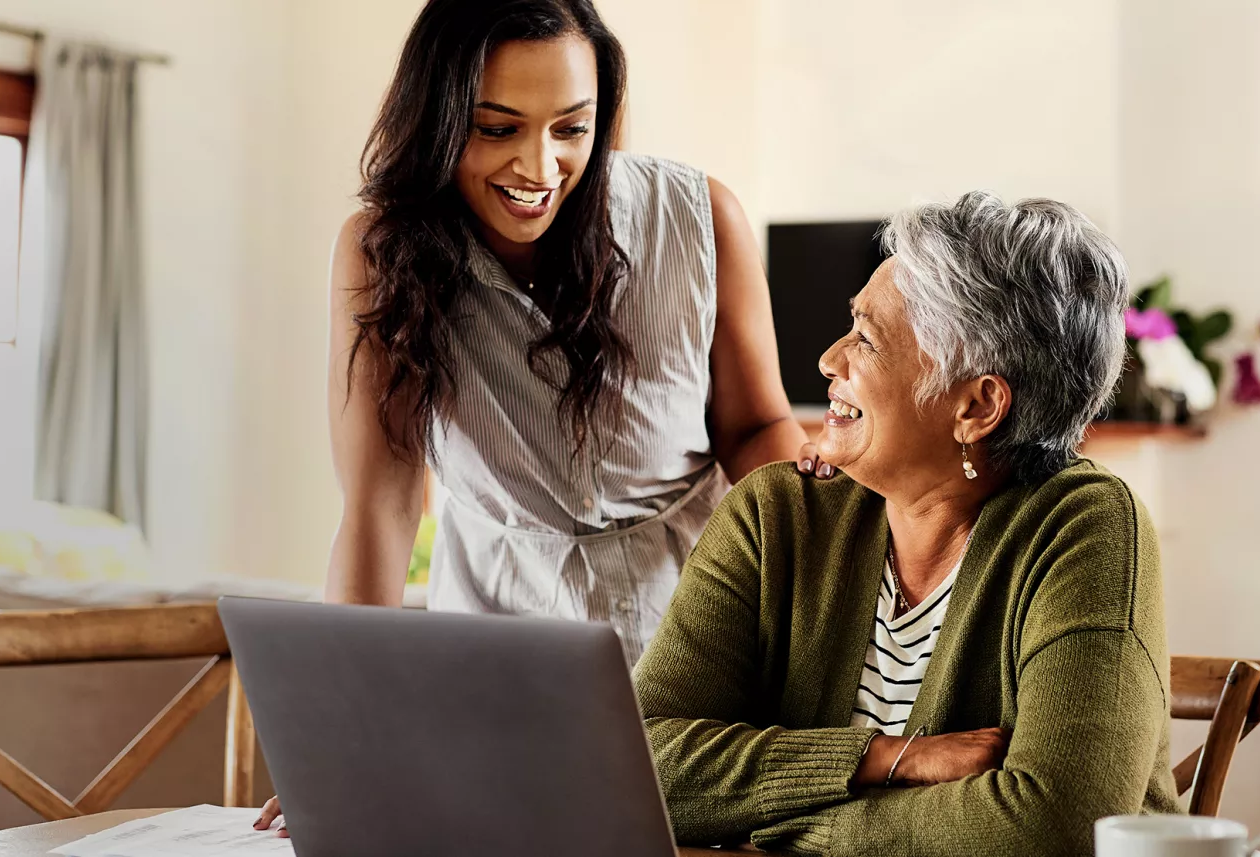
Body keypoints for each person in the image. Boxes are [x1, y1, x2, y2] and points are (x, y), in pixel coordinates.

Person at [256, 0, 829, 836]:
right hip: (499, 650)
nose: (540, 164)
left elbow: (755, 428)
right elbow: (380, 505)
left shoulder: (700, 217)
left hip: (701, 631)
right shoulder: (382, 255)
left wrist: (817, 547)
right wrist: (344, 743)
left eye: (572, 127)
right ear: (439, 117)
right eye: (497, 127)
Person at [633, 192, 1182, 856]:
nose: (830, 360)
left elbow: (1055, 828)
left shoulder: (1086, 526)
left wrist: (779, 827)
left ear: (978, 405)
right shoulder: (779, 513)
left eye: (866, 338)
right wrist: (887, 757)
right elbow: (637, 763)